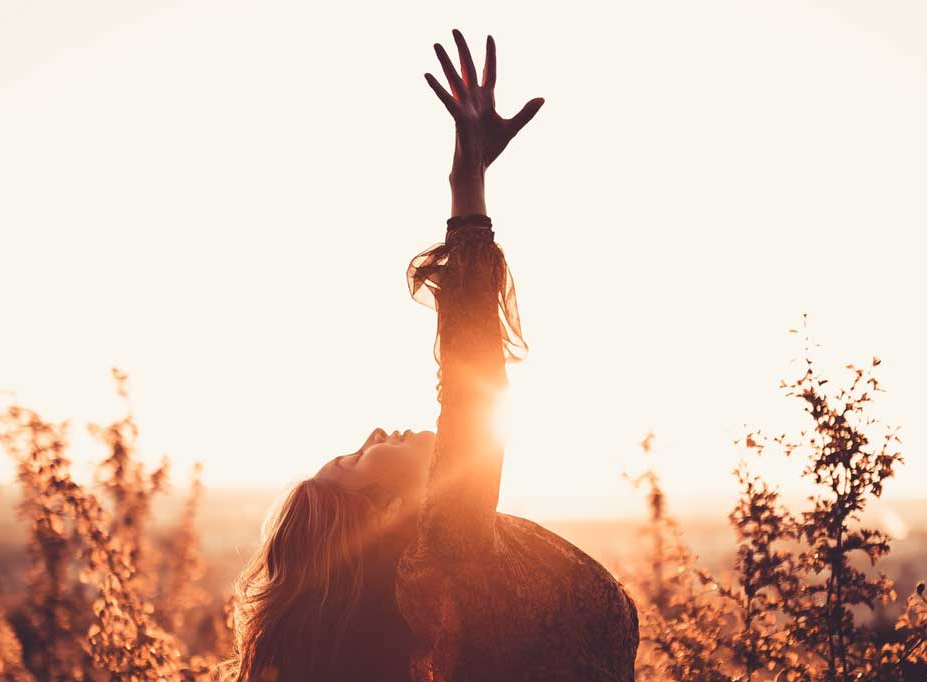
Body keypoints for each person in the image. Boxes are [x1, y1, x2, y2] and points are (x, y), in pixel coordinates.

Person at [226, 28, 639, 682]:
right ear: (387, 512)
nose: (375, 431)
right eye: (358, 457)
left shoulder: (457, 567)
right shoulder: (445, 548)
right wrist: (466, 187)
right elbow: (472, 387)